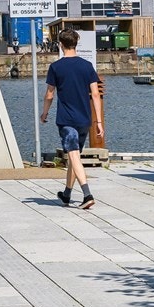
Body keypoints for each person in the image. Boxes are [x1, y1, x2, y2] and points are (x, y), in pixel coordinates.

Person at [39, 27, 104, 210]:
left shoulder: (56, 67)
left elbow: (49, 94)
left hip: (67, 119)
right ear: (76, 43)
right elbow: (95, 94)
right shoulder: (87, 66)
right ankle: (67, 194)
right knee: (74, 156)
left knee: (74, 155)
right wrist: (98, 122)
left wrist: (44, 113)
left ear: (60, 44)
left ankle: (87, 194)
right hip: (85, 119)